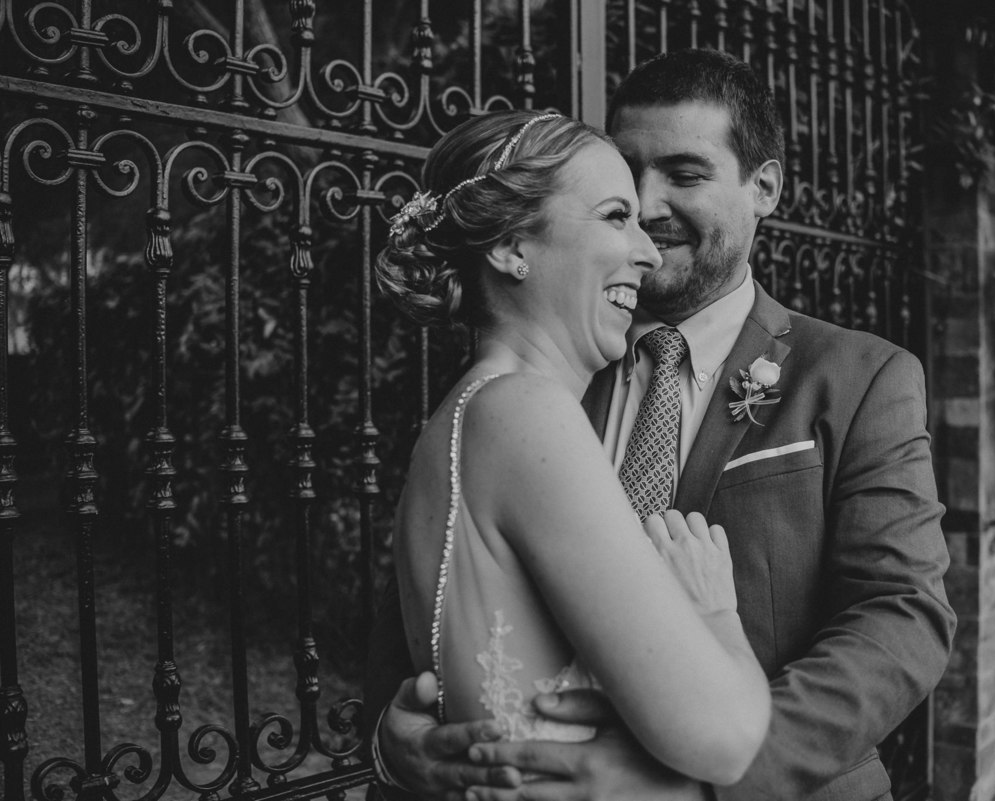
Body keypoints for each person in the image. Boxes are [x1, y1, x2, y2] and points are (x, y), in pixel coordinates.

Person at [367, 49, 956, 801]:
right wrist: (394, 738)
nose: (648, 205)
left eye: (684, 173)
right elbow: (442, 601)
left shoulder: (862, 377)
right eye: (626, 178)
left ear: (764, 187)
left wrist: (689, 787)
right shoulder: (546, 378)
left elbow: (901, 616)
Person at [372, 108, 772, 791]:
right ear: (510, 247)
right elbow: (724, 739)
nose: (647, 252)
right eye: (616, 215)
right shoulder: (528, 414)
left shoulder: (461, 419)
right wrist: (714, 611)